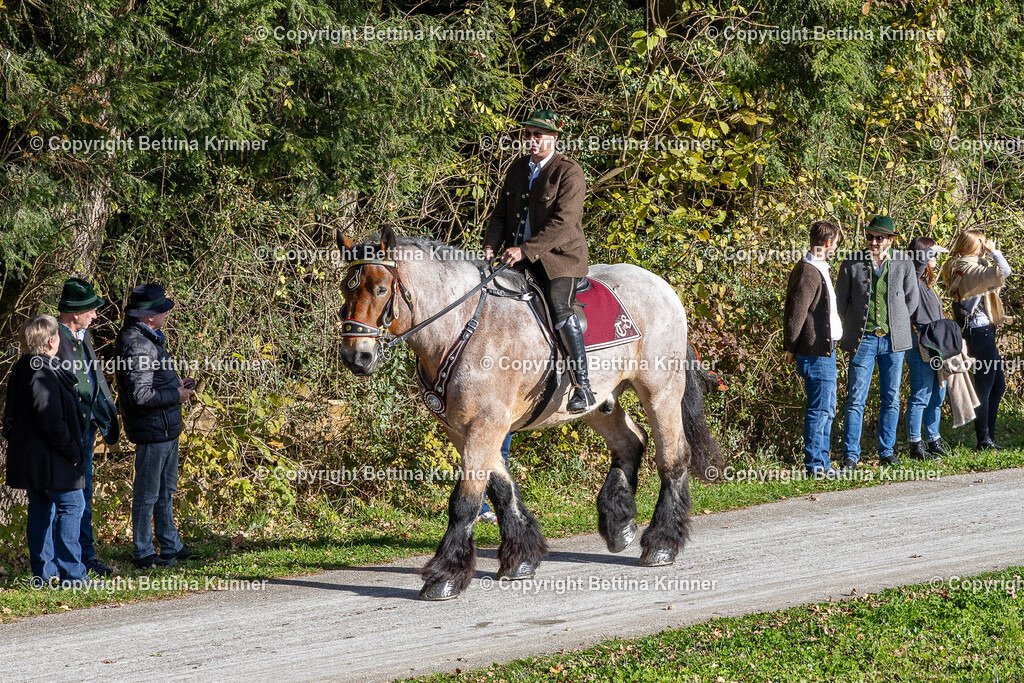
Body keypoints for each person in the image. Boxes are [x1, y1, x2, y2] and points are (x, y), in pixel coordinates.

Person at [483, 109, 594, 413]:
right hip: (518, 258)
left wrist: (525, 250)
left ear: (553, 138)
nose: (531, 140)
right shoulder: (518, 169)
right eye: (527, 134)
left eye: (537, 135)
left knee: (559, 307)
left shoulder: (569, 171)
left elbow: (565, 221)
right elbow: (501, 214)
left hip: (561, 259)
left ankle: (583, 386)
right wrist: (491, 246)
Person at [3, 315, 95, 586]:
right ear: (52, 340)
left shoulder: (24, 367)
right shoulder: (40, 370)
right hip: (52, 458)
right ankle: (72, 575)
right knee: (72, 506)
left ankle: (44, 575)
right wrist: (71, 450)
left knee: (42, 509)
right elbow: (49, 418)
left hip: (36, 459)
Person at [115, 284, 196, 568]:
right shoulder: (137, 344)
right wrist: (176, 394)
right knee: (147, 493)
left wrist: (176, 384)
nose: (166, 314)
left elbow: (149, 384)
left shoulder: (148, 338)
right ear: (149, 316)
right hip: (153, 429)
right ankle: (143, 552)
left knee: (165, 490)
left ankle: (170, 544)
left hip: (165, 426)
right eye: (161, 310)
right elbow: (139, 395)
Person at [836, 215, 919, 469]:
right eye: (870, 236)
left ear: (890, 240)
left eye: (879, 237)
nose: (873, 241)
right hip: (863, 340)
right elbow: (841, 302)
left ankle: (886, 452)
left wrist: (897, 322)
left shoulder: (904, 262)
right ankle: (851, 455)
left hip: (894, 341)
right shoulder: (852, 262)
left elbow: (911, 300)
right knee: (855, 398)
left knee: (891, 398)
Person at [54, 278, 120, 576]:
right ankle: (67, 561)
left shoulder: (84, 335)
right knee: (68, 498)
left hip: (86, 427)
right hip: (64, 432)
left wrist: (101, 412)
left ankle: (86, 556)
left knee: (85, 494)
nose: (95, 315)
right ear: (75, 312)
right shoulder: (53, 339)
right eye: (91, 310)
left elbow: (94, 379)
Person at [942, 230, 1013, 450]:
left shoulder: (964, 265)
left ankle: (988, 437)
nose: (986, 246)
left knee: (997, 386)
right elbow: (1005, 271)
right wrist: (995, 252)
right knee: (985, 386)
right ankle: (984, 439)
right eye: (982, 244)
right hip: (979, 332)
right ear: (974, 245)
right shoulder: (969, 268)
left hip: (979, 331)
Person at [783, 221, 843, 478]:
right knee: (820, 409)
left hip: (825, 351)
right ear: (828, 243)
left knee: (827, 408)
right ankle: (816, 466)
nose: (837, 247)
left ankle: (822, 463)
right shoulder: (808, 271)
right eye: (837, 242)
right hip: (815, 352)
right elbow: (795, 313)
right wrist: (791, 347)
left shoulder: (819, 268)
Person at [904, 238, 949, 461]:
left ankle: (933, 439)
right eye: (931, 254)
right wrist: (926, 251)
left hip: (936, 344)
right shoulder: (912, 277)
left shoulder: (927, 284)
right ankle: (915, 445)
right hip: (919, 341)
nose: (935, 258)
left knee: (938, 393)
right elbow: (916, 264)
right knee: (921, 394)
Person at [479, 433, 513, 522]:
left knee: (502, 457)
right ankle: (481, 509)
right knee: (483, 458)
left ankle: (507, 509)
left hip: (508, 423)